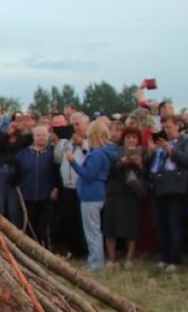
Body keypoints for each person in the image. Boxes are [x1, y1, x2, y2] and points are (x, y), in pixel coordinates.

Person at [147, 114, 188, 270]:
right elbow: (149, 164)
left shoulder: (187, 141)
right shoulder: (161, 144)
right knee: (161, 224)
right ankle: (166, 256)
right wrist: (150, 152)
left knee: (174, 224)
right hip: (159, 187)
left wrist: (170, 150)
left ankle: (175, 258)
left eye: (169, 127)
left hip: (176, 188)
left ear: (178, 125)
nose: (166, 130)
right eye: (164, 127)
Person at [68, 119, 117, 272]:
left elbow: (88, 175)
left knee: (92, 231)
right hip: (93, 194)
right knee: (93, 230)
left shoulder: (97, 154)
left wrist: (73, 162)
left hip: (92, 195)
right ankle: (95, 260)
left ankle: (96, 263)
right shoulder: (101, 153)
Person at [103, 126, 145, 269]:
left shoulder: (143, 152)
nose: (131, 140)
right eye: (128, 137)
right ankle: (112, 258)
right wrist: (122, 163)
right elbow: (108, 171)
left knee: (131, 227)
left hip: (132, 193)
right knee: (110, 226)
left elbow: (147, 174)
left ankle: (129, 258)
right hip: (114, 191)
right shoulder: (115, 150)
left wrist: (139, 165)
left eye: (134, 138)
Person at [16, 125, 59, 248]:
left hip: (46, 195)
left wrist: (56, 188)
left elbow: (57, 173)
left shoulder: (53, 153)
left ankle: (47, 250)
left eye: (44, 135)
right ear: (33, 137)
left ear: (48, 136)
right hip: (28, 194)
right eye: (38, 135)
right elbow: (18, 174)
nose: (41, 138)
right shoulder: (22, 154)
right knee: (30, 224)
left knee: (45, 225)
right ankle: (31, 250)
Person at [53, 113, 89, 257]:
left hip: (82, 185)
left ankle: (86, 250)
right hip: (67, 187)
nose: (74, 128)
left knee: (83, 221)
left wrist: (82, 144)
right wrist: (60, 142)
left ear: (86, 125)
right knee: (70, 220)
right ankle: (74, 250)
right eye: (72, 125)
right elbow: (56, 159)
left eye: (77, 124)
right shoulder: (66, 141)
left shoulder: (90, 140)